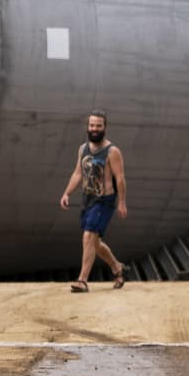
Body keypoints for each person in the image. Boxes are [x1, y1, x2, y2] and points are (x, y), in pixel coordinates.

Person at [58, 110, 127, 292]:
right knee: (94, 243)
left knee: (88, 235)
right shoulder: (83, 149)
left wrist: (122, 202)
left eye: (98, 126)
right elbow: (78, 173)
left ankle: (82, 280)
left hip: (104, 201)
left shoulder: (112, 152)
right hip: (88, 199)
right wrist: (67, 193)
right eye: (91, 125)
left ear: (105, 127)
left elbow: (120, 178)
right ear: (88, 127)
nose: (94, 129)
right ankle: (117, 267)